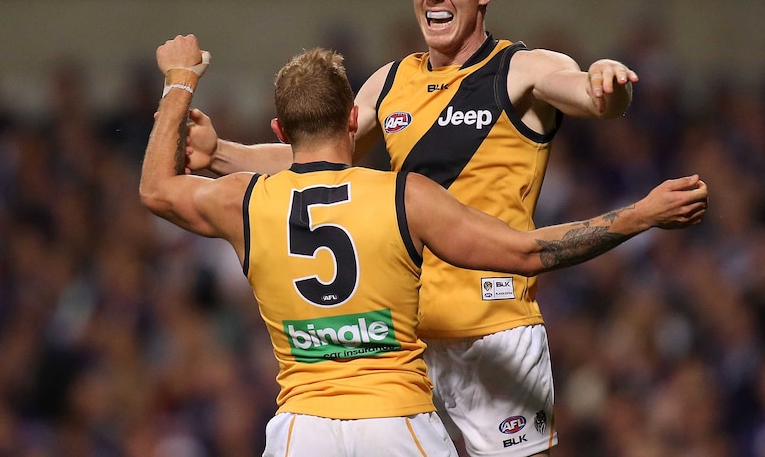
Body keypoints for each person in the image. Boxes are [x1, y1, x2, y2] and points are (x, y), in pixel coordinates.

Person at [181, 0, 653, 457]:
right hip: (402, 347)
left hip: (492, 331)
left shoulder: (521, 69)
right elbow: (312, 159)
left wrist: (606, 81)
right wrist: (219, 154)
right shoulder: (390, 82)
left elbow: (593, 96)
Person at [142, 34, 706, 456]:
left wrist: (179, 86)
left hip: (301, 430)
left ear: (280, 131)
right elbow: (527, 253)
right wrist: (638, 217)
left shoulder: (244, 202)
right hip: (397, 421)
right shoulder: (403, 198)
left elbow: (156, 189)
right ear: (358, 119)